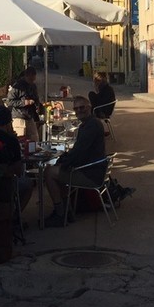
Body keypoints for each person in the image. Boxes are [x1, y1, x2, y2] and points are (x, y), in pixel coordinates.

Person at [43, 96, 107, 227]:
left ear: (89, 107)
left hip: (90, 175)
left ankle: (60, 213)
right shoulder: (89, 124)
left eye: (82, 107)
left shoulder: (91, 126)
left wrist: (62, 161)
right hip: (91, 170)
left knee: (49, 172)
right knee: (60, 172)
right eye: (76, 108)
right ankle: (67, 211)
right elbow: (78, 152)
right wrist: (64, 161)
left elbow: (79, 153)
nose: (79, 111)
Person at [0, 104, 34, 211]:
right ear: (9, 122)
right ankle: (16, 216)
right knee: (28, 183)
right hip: (6, 183)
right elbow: (18, 170)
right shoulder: (11, 140)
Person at [5, 66, 42, 142]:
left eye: (33, 80)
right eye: (30, 79)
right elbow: (9, 102)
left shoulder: (33, 86)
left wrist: (38, 105)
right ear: (26, 76)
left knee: (34, 140)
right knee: (20, 141)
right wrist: (24, 103)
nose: (32, 81)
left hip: (30, 116)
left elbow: (36, 98)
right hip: (19, 117)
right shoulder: (17, 86)